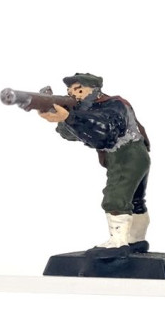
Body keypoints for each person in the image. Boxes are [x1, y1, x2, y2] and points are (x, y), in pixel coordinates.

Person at [40, 73, 151, 256]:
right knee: (135, 200)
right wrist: (64, 118)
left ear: (94, 90)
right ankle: (135, 240)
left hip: (127, 154)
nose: (73, 94)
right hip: (128, 155)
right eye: (70, 91)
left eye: (79, 90)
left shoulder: (114, 105)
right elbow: (71, 135)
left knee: (116, 197)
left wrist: (70, 117)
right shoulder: (87, 108)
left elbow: (104, 133)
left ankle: (118, 243)